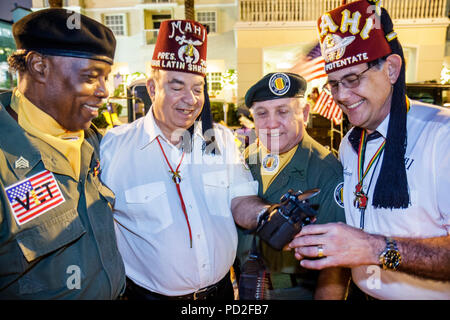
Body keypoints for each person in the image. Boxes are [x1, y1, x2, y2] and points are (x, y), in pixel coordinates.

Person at [289, 0, 450, 299]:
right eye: (334, 85)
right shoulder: (350, 144)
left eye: (352, 79)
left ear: (391, 69)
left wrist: (376, 249)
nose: (342, 96)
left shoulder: (442, 136)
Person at [100, 19, 266, 300]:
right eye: (176, 87)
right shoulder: (113, 148)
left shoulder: (220, 139)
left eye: (198, 88)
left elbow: (240, 200)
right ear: (152, 88)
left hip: (221, 293)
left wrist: (267, 215)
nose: (190, 99)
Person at [0, 9, 125, 299]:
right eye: (91, 76)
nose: (105, 91)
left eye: (106, 78)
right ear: (39, 66)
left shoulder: (92, 140)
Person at [234, 72, 349, 299]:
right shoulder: (248, 157)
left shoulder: (326, 171)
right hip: (246, 290)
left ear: (304, 113)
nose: (272, 123)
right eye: (262, 113)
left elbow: (336, 267)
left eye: (283, 111)